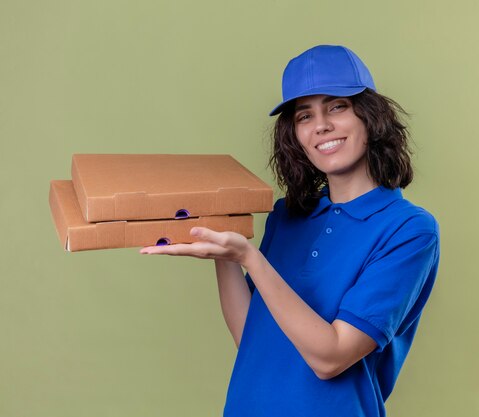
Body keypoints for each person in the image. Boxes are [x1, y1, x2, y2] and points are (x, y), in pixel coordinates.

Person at [140, 44, 440, 417]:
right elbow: (249, 337)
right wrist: (222, 253)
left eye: (337, 106)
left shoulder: (409, 229)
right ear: (294, 135)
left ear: (370, 117)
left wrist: (249, 256)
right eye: (304, 116)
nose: (321, 126)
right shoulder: (287, 215)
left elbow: (330, 358)